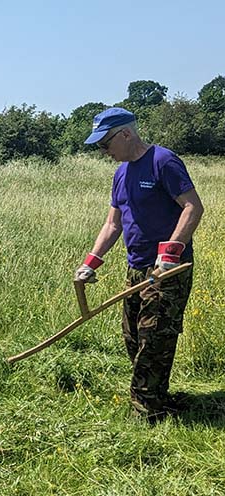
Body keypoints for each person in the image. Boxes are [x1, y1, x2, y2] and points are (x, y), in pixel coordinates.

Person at [74, 108, 204, 422]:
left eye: (105, 144)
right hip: (136, 268)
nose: (104, 152)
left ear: (127, 134)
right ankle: (155, 397)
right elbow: (113, 224)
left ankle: (146, 414)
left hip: (167, 270)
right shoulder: (121, 174)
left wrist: (170, 252)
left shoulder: (163, 161)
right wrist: (91, 263)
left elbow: (192, 207)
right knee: (133, 337)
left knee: (155, 337)